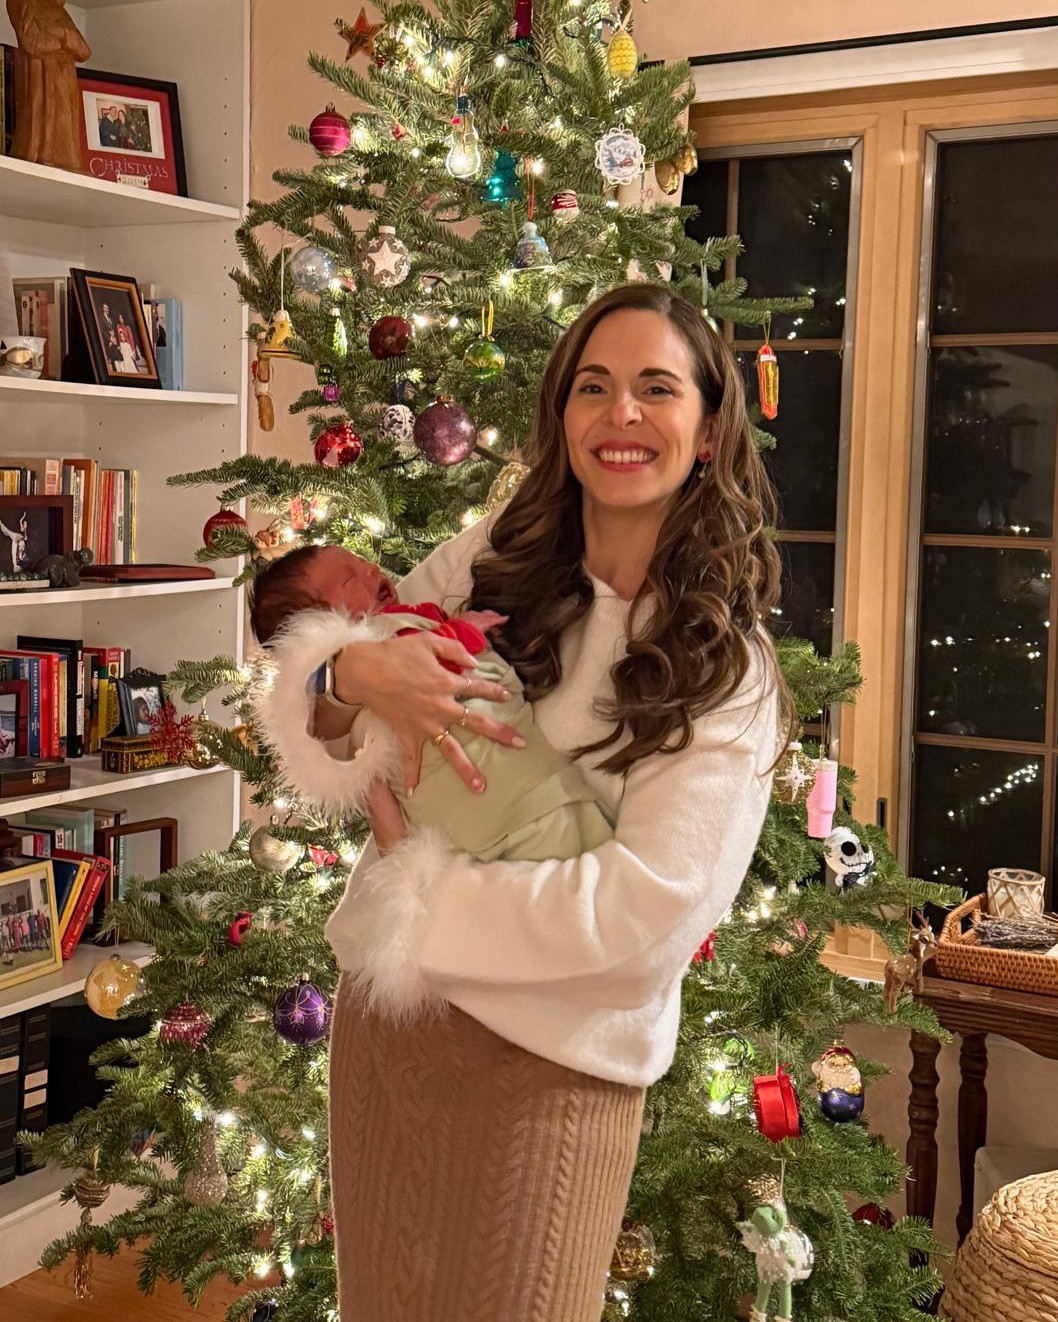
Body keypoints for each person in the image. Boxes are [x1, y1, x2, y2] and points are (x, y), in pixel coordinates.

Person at [256, 284, 793, 1322]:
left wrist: (418, 903)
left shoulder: (727, 670)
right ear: (562, 416)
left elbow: (644, 919)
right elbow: (322, 696)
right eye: (593, 387)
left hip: (553, 1069)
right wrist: (345, 679)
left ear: (708, 428)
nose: (620, 415)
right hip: (391, 1033)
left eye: (655, 388)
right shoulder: (487, 555)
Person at [252, 545, 615, 861]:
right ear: (318, 626)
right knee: (594, 868)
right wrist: (467, 627)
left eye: (363, 562)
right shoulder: (375, 640)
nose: (371, 570)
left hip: (473, 831)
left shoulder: (341, 697)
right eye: (350, 580)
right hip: (527, 800)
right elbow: (429, 664)